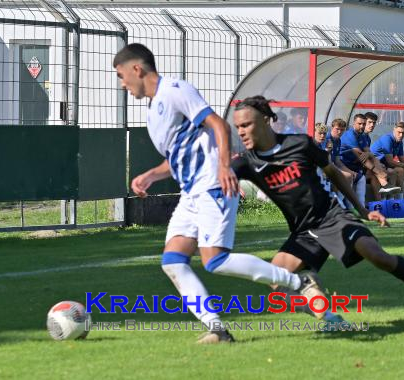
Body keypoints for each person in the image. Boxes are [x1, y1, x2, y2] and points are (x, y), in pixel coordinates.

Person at [113, 44, 325, 344]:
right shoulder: (153, 111)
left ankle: (298, 282)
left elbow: (218, 125)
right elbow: (177, 158)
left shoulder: (174, 89)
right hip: (191, 194)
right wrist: (151, 175)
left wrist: (225, 167)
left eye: (122, 76)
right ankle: (217, 330)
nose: (122, 84)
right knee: (173, 262)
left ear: (137, 69)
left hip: (212, 185)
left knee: (215, 261)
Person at [231, 95, 404, 329]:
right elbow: (215, 178)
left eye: (246, 125)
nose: (240, 131)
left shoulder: (299, 144)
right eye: (237, 126)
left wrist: (362, 209)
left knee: (379, 257)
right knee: (276, 283)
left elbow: (334, 172)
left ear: (264, 121)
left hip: (332, 217)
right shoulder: (246, 162)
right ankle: (330, 318)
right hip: (303, 232)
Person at [340, 113, 400, 199]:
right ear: (354, 123)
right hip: (347, 167)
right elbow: (362, 158)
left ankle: (380, 203)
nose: (362, 126)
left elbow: (370, 154)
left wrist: (378, 167)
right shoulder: (350, 135)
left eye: (363, 124)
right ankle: (385, 187)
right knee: (381, 172)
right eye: (359, 124)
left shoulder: (364, 136)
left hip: (357, 167)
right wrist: (379, 172)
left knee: (376, 174)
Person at [370, 122, 404, 201]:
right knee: (399, 170)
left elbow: (402, 160)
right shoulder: (387, 139)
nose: (401, 135)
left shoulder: (399, 142)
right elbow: (390, 162)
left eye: (403, 133)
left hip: (385, 165)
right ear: (394, 130)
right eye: (399, 132)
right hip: (375, 166)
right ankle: (397, 201)